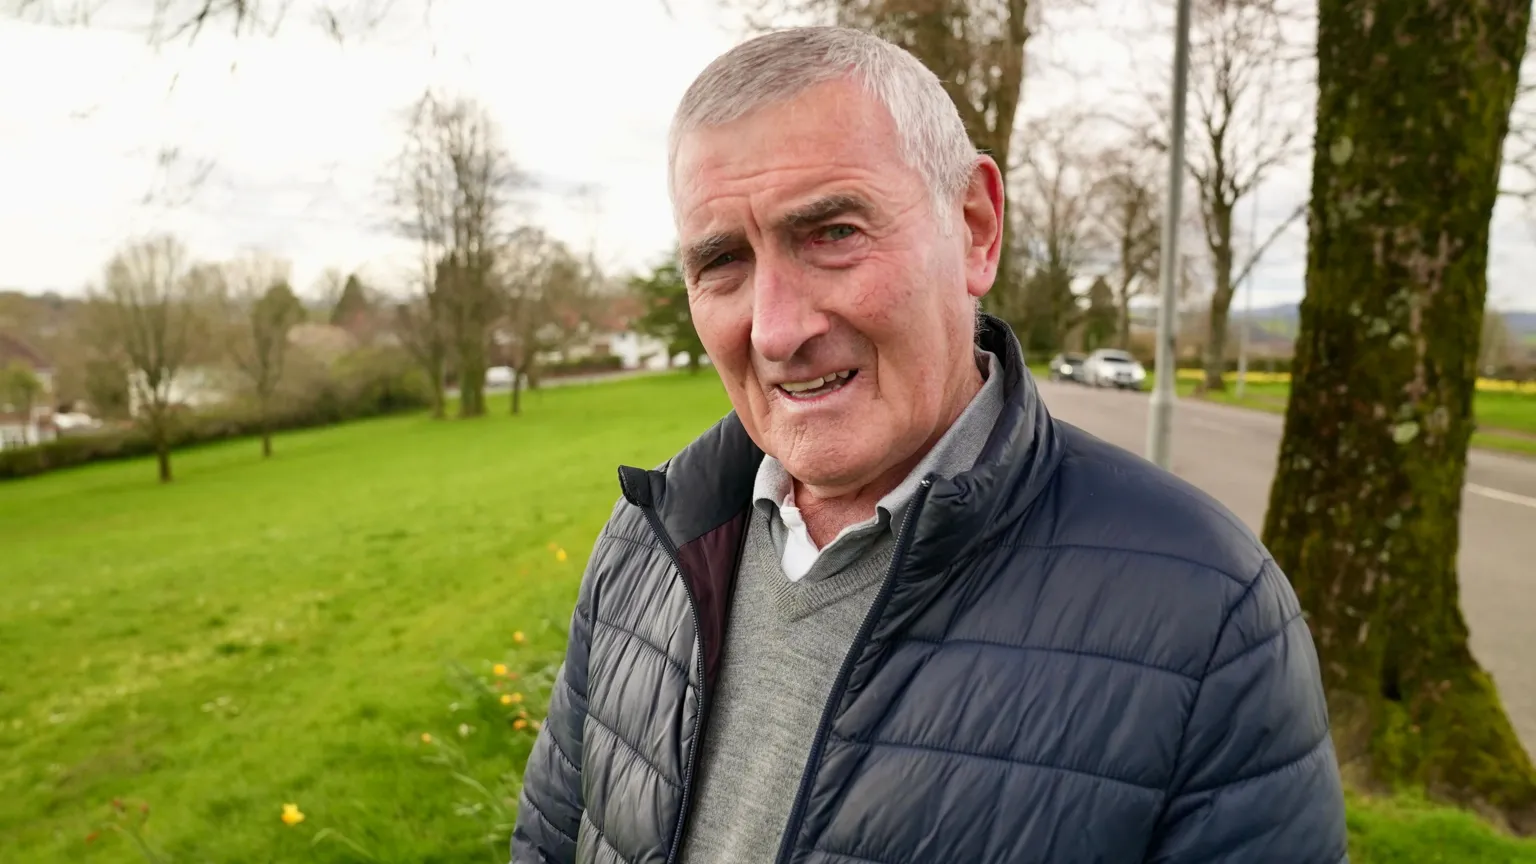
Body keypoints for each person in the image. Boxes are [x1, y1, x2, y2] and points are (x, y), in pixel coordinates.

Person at [511, 25, 1348, 864]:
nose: (775, 329)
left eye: (833, 233)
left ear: (975, 228)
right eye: (723, 260)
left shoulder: (1206, 615)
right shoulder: (648, 543)